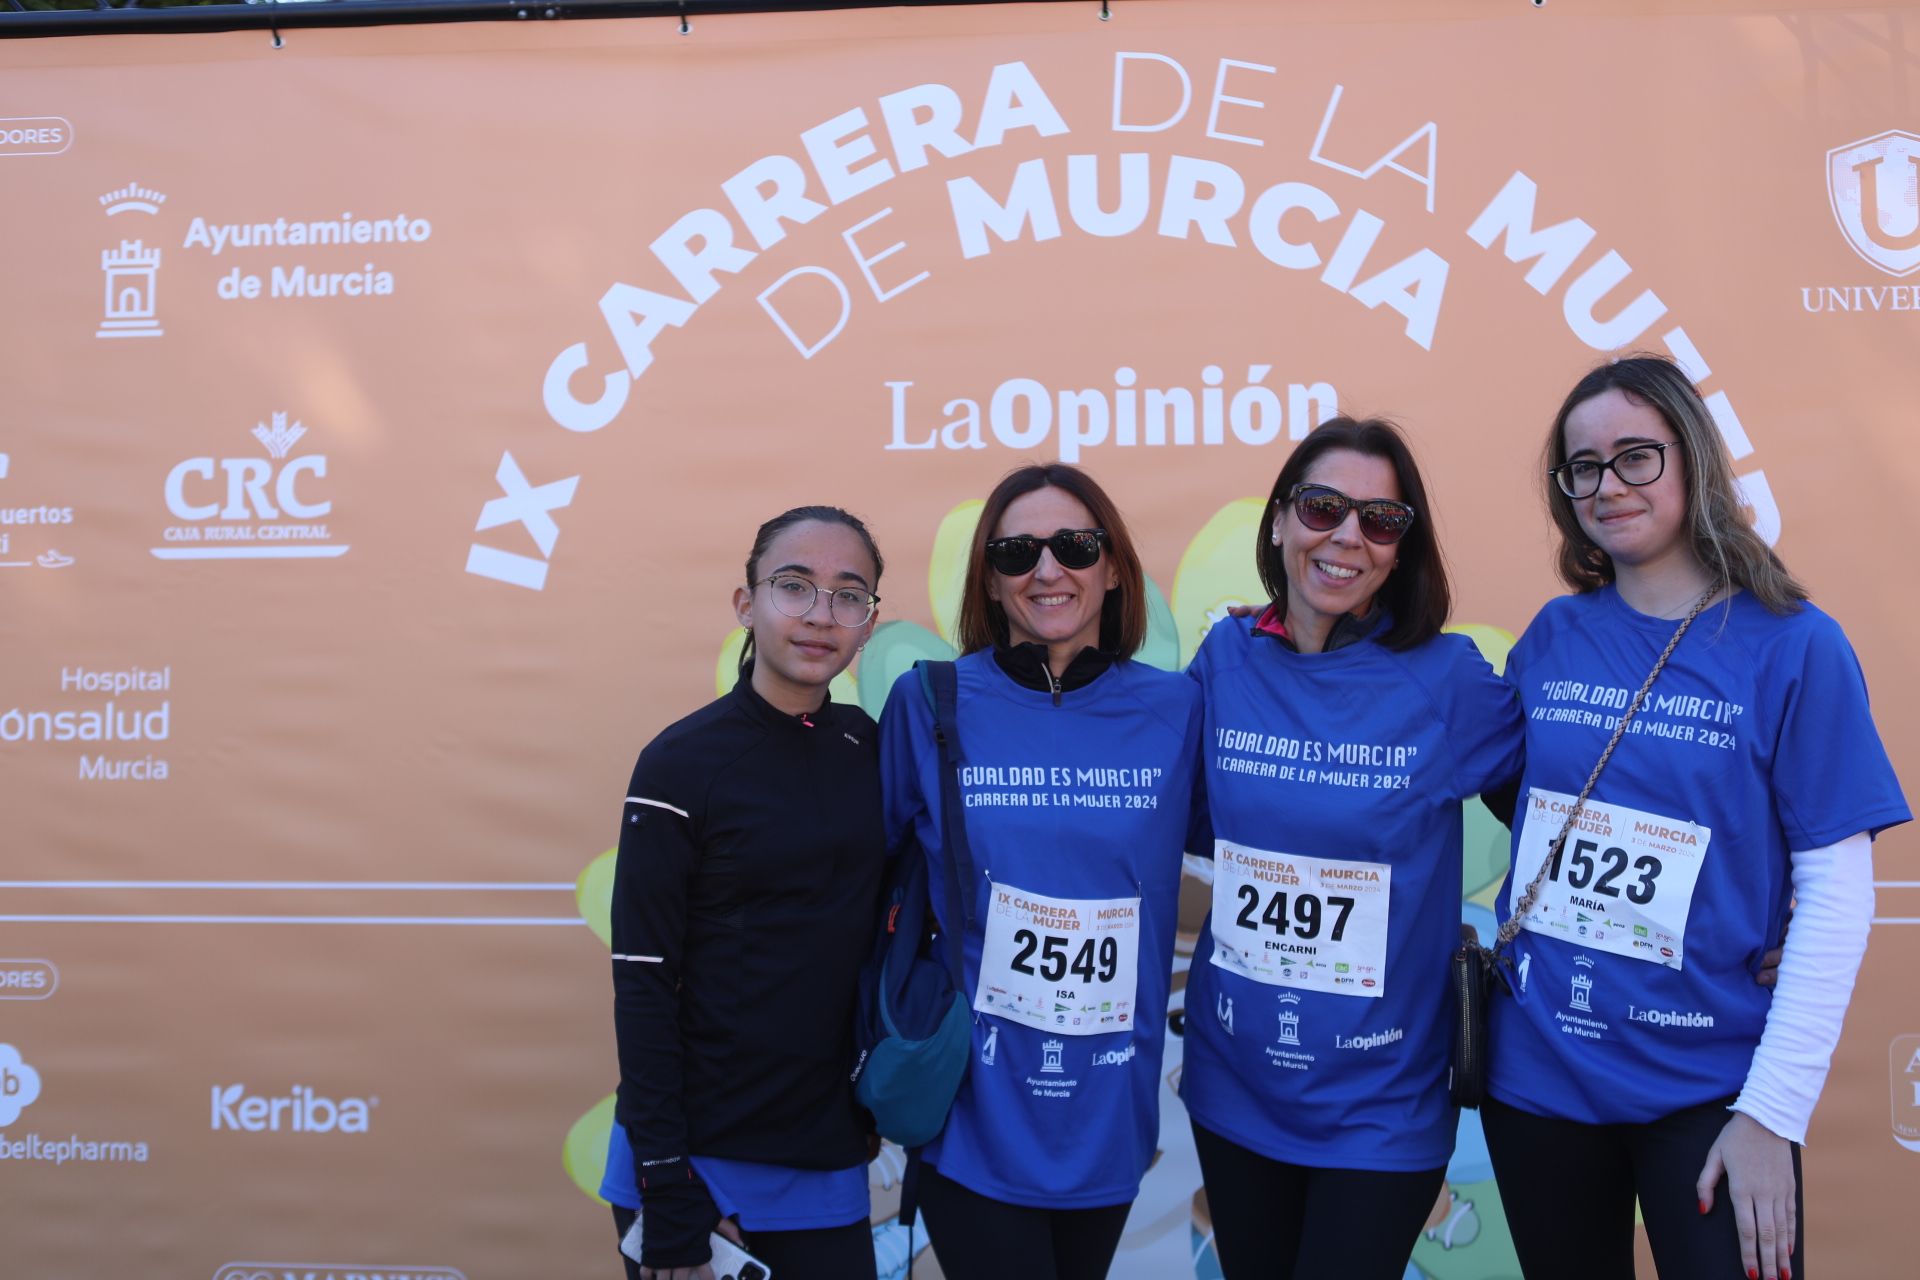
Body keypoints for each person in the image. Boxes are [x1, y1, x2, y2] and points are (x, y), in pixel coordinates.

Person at [1480, 356, 1911, 1280]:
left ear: (1695, 460)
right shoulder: (1554, 634)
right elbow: (1503, 789)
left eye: (1637, 456)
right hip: (1540, 1083)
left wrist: (1770, 1114)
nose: (1608, 485)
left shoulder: (1794, 644)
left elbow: (1835, 894)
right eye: (1583, 467)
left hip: (1713, 1095)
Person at [1178, 417, 1524, 1279]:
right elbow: (1158, 818)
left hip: (1382, 1103)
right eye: (1325, 507)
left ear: (1403, 549)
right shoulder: (1226, 658)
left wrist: (1741, 907)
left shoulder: (1448, 680)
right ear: (1282, 521)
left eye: (1380, 520)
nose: (1347, 538)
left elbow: (1574, 816)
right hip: (1236, 1083)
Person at [878, 464, 1204, 1280]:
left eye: (1075, 545)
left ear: (1115, 567)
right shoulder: (927, 703)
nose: (1048, 569)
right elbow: (857, 885)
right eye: (1018, 551)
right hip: (971, 1104)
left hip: (1111, 1111)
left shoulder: (1178, 710)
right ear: (989, 580)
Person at [607, 505, 888, 1280]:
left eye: (847, 595)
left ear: (869, 623)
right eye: (793, 586)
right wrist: (666, 1183)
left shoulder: (873, 752)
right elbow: (642, 978)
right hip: (695, 1164)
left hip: (827, 1155)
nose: (819, 615)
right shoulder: (679, 764)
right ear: (746, 604)